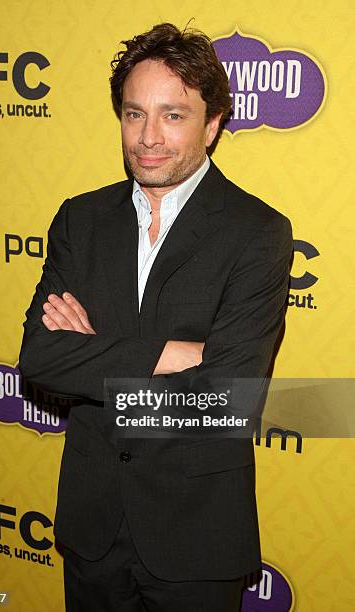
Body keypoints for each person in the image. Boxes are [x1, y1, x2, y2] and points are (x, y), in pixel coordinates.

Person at [18, 22, 293, 612]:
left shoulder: (258, 233)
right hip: (91, 529)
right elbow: (39, 359)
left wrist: (94, 355)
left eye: (173, 115)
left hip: (196, 537)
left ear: (212, 124)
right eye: (133, 113)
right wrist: (174, 356)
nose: (148, 137)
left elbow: (227, 399)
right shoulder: (80, 219)